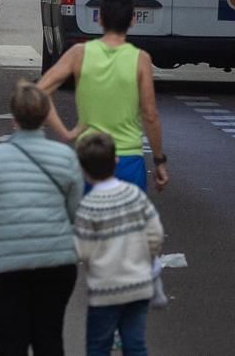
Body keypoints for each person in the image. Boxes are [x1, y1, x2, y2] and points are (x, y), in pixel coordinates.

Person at [0, 81, 81, 356]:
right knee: (49, 337)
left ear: (13, 117)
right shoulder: (66, 158)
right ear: (46, 115)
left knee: (10, 338)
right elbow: (73, 212)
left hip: (2, 263)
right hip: (56, 261)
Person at [37, 0, 169, 193]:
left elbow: (39, 92)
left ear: (100, 19)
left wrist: (65, 133)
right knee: (129, 221)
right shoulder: (140, 59)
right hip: (128, 158)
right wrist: (159, 159)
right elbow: (150, 114)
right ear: (132, 20)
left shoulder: (79, 54)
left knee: (89, 220)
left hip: (89, 158)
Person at [75, 132, 165, 355]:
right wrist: (146, 257)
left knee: (98, 346)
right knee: (135, 344)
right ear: (116, 161)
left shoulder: (88, 206)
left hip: (104, 288)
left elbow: (82, 249)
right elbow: (155, 234)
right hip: (138, 284)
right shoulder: (135, 195)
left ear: (83, 170)